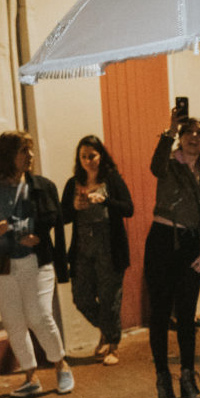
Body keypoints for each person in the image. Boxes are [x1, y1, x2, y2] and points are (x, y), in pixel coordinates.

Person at [0, 130, 74, 398]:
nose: (30, 156)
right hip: (1, 265)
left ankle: (61, 364)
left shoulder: (42, 185)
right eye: (24, 150)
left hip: (35, 262)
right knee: (13, 322)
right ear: (7, 155)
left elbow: (54, 221)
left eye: (31, 150)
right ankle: (31, 376)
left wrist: (37, 235)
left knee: (38, 315)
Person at [145, 111, 200, 398]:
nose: (194, 138)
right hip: (162, 241)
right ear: (180, 137)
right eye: (188, 132)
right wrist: (170, 130)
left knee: (187, 315)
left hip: (190, 245)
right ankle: (163, 379)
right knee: (160, 314)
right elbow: (154, 166)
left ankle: (188, 377)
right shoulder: (169, 165)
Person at [60, 135, 133, 366]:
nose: (88, 161)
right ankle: (107, 330)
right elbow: (61, 216)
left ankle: (113, 345)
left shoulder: (111, 180)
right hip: (82, 249)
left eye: (92, 156)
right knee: (81, 298)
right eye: (83, 156)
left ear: (101, 156)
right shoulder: (73, 184)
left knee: (110, 297)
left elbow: (128, 209)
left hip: (109, 248)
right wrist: (74, 206)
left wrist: (105, 201)